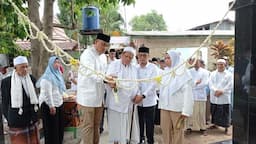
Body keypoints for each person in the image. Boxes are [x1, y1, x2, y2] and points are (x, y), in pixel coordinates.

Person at [76, 33, 110, 144]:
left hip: (99, 99)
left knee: (96, 126)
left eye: (106, 45)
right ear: (95, 42)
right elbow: (90, 73)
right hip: (87, 99)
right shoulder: (87, 54)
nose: (104, 47)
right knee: (88, 127)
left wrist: (110, 79)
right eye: (102, 44)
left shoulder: (104, 57)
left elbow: (104, 74)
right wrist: (106, 79)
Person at [1, 56, 40, 144]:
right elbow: (4, 103)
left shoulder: (31, 79)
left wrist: (36, 116)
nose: (25, 69)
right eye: (22, 67)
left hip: (31, 119)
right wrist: (9, 119)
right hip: (16, 120)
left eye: (26, 66)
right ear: (15, 68)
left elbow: (35, 98)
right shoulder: (7, 82)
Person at [106, 47, 140, 144]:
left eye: (130, 57)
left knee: (128, 129)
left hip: (129, 103)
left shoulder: (133, 68)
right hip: (115, 103)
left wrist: (137, 94)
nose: (128, 59)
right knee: (116, 130)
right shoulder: (114, 64)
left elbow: (136, 83)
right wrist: (111, 81)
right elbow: (108, 78)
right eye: (126, 56)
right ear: (121, 55)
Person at [159, 50, 194, 144]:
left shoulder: (183, 72)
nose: (166, 60)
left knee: (178, 131)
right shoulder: (164, 73)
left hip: (177, 108)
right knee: (165, 130)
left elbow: (188, 93)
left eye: (168, 58)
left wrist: (186, 110)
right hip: (164, 107)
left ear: (175, 58)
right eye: (165, 58)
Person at [37, 56, 66, 144]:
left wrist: (64, 97)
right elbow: (47, 94)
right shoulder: (47, 77)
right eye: (55, 62)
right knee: (51, 130)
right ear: (50, 64)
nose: (57, 64)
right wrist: (51, 106)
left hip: (58, 104)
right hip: (49, 106)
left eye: (58, 62)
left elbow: (59, 89)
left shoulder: (58, 75)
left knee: (59, 128)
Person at [136, 46, 158, 144]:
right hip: (138, 102)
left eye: (144, 55)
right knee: (139, 124)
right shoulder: (134, 68)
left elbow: (154, 83)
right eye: (140, 55)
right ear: (138, 56)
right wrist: (138, 95)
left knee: (150, 125)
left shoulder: (154, 68)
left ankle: (150, 141)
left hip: (150, 101)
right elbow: (134, 83)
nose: (142, 58)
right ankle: (140, 140)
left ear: (148, 56)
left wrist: (143, 95)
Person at [209, 59, 233, 135]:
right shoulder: (212, 73)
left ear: (225, 65)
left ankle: (227, 127)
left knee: (225, 112)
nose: (220, 66)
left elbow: (230, 84)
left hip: (224, 96)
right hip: (215, 95)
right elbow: (210, 83)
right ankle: (215, 124)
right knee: (214, 111)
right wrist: (215, 90)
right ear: (216, 65)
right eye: (218, 64)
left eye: (221, 64)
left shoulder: (229, 74)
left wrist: (222, 91)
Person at [186, 59, 209, 135]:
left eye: (197, 62)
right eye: (194, 62)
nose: (196, 63)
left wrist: (194, 86)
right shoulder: (189, 71)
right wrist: (195, 83)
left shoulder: (205, 72)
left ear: (200, 63)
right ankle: (189, 127)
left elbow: (204, 83)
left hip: (201, 96)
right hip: (191, 95)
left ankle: (202, 128)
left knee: (201, 112)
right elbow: (188, 82)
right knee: (191, 112)